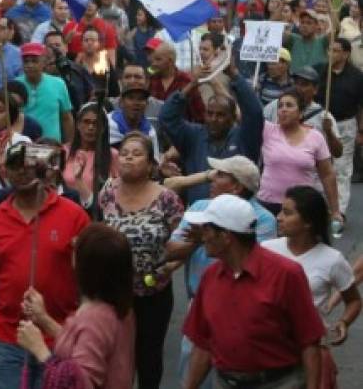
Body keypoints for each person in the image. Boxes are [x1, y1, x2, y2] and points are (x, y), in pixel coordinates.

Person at [0, 141, 90, 389]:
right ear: (6, 172)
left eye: (29, 165)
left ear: (43, 169)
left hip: (59, 334)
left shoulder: (74, 215)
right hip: (8, 337)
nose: (22, 171)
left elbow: (89, 278)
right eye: (15, 166)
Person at [182, 194, 327, 389]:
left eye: (207, 229)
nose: (203, 236)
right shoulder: (210, 277)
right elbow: (203, 342)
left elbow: (309, 340)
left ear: (226, 237)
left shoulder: (286, 274)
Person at [165, 156, 278, 389]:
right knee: (193, 371)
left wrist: (201, 236)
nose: (213, 179)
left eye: (221, 175)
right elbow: (171, 250)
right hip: (198, 305)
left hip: (244, 310)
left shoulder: (263, 220)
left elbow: (256, 264)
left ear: (237, 186)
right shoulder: (199, 207)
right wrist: (199, 240)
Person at [98, 131, 183, 389]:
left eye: (136, 154)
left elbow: (184, 242)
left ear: (150, 164)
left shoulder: (168, 199)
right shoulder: (108, 192)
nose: (128, 159)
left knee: (148, 357)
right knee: (115, 358)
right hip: (114, 291)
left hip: (152, 292)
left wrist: (169, 267)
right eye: (124, 154)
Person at [15, 223, 135, 389]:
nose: (72, 245)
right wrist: (44, 320)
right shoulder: (116, 306)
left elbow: (77, 383)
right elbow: (82, 344)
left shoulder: (96, 318)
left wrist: (39, 349)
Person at [263, 186, 361, 389]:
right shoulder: (266, 250)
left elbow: (353, 300)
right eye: (281, 211)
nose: (279, 217)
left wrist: (344, 322)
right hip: (267, 347)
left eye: (287, 213)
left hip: (310, 350)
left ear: (308, 222)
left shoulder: (332, 260)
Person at [160, 60, 263, 204]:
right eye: (210, 113)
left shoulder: (244, 138)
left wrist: (234, 75)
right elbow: (167, 117)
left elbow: (255, 113)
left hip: (233, 216)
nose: (214, 119)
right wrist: (192, 84)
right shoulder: (193, 136)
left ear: (233, 118)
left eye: (221, 115)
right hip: (198, 214)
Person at [258, 89, 342, 227]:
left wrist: (335, 211)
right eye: (280, 106)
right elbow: (241, 113)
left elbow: (327, 174)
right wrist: (216, 81)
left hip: (302, 207)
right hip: (268, 205)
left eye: (289, 105)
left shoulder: (316, 137)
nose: (283, 109)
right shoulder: (267, 130)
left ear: (301, 113)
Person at [316, 37, 363, 218]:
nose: (331, 54)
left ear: (346, 53)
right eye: (330, 50)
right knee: (321, 166)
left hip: (345, 124)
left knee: (342, 169)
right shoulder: (320, 71)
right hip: (322, 122)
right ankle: (321, 208)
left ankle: (339, 211)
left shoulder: (357, 77)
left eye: (336, 50)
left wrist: (361, 130)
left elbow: (361, 105)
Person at [62, 102, 119, 214]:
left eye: (96, 124)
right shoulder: (64, 151)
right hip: (65, 212)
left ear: (103, 128)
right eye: (86, 122)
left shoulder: (112, 155)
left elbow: (117, 193)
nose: (91, 127)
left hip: (98, 215)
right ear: (78, 125)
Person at [16, 42, 74, 143]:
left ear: (44, 62)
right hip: (22, 146)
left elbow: (66, 118)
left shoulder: (58, 84)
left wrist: (69, 146)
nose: (29, 65)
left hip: (51, 146)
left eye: (34, 61)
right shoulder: (14, 85)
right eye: (26, 61)